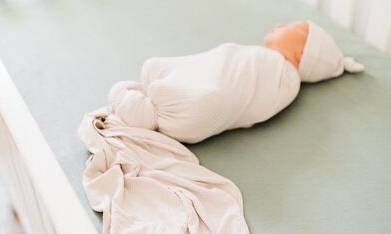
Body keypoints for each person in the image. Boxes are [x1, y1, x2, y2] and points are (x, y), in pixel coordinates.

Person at [108, 21, 364, 143]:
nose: (279, 25)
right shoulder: (276, 67)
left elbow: (249, 101)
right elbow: (220, 63)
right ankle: (151, 100)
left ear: (300, 54)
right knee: (153, 67)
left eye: (290, 27)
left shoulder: (287, 78)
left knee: (204, 96)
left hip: (204, 104)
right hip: (202, 82)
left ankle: (149, 106)